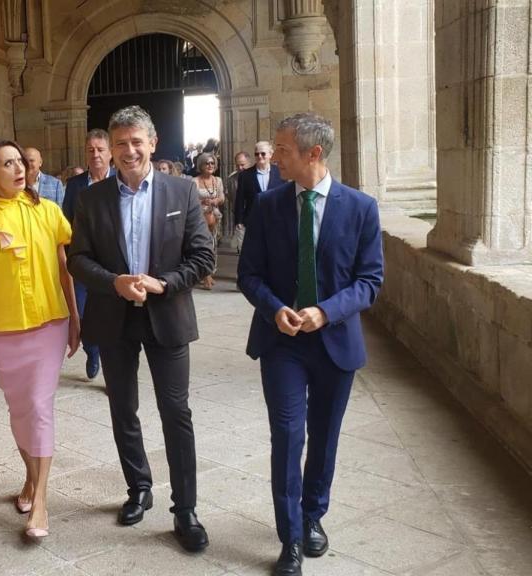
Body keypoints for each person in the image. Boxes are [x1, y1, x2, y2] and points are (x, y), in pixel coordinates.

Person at [237, 113, 383, 576]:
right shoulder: (267, 205)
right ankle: (291, 538)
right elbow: (248, 274)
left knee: (323, 437)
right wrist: (274, 306)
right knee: (287, 435)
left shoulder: (361, 208)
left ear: (312, 154)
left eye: (281, 150)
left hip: (335, 344)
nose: (274, 157)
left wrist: (327, 310)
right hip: (281, 344)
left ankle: (313, 514)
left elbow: (370, 282)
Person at [68, 106, 215, 553]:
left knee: (177, 413)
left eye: (137, 141)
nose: (128, 150)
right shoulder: (91, 199)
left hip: (166, 315)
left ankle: (185, 508)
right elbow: (77, 259)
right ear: (109, 150)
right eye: (120, 143)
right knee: (123, 410)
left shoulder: (181, 191)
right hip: (114, 317)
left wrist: (163, 283)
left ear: (152, 143)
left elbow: (203, 258)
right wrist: (113, 282)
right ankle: (138, 488)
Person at [0, 139, 80, 539]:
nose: (18, 169)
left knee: (38, 405)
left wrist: (76, 317)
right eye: (8, 163)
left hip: (50, 323)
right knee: (19, 410)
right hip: (3, 329)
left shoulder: (49, 211)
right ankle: (31, 479)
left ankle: (42, 502)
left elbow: (65, 269)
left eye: (20, 162)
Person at [61, 129, 114, 380]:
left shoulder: (121, 180)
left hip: (113, 264)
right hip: (82, 261)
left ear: (110, 153)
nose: (95, 154)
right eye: (90, 150)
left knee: (111, 315)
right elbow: (67, 222)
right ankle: (92, 351)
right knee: (81, 313)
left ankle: (111, 361)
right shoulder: (74, 186)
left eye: (100, 149)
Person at [234, 141, 284, 240]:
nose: (259, 156)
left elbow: (285, 197)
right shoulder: (245, 175)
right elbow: (239, 199)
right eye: (257, 154)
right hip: (252, 221)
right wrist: (239, 221)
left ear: (270, 154)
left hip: (275, 220)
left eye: (263, 153)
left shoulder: (280, 172)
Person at [192, 152, 225, 290]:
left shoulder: (217, 180)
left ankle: (209, 272)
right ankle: (205, 274)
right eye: (207, 163)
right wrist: (202, 202)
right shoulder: (194, 181)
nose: (210, 165)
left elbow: (222, 197)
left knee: (213, 245)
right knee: (202, 246)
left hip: (214, 217)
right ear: (201, 165)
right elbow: (191, 200)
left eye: (212, 163)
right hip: (200, 218)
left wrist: (215, 200)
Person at [225, 151, 251, 246]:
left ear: (249, 163)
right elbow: (230, 196)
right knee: (242, 246)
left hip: (255, 215)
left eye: (242, 165)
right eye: (237, 165)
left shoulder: (256, 176)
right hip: (240, 217)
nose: (240, 168)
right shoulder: (231, 179)